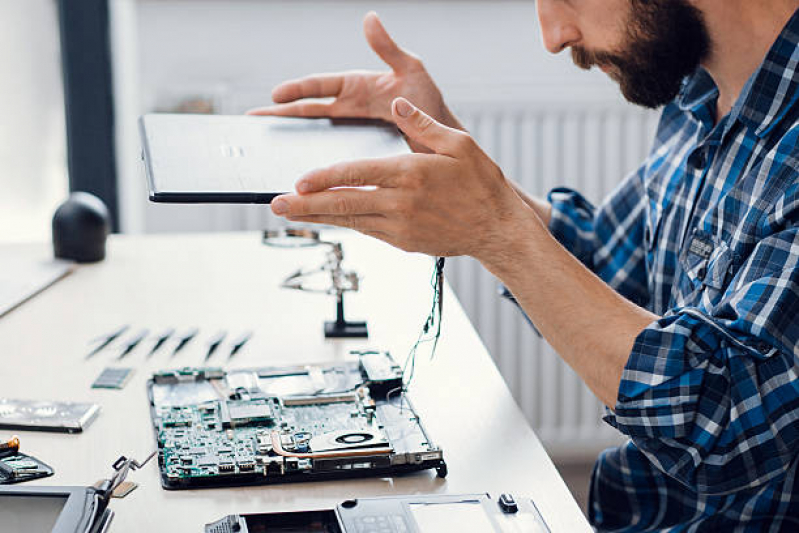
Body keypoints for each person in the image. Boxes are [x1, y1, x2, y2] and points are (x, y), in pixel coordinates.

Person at [250, 1, 799, 530]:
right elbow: (608, 260)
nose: (553, 35)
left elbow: (725, 428)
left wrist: (498, 232)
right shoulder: (701, 94)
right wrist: (446, 144)